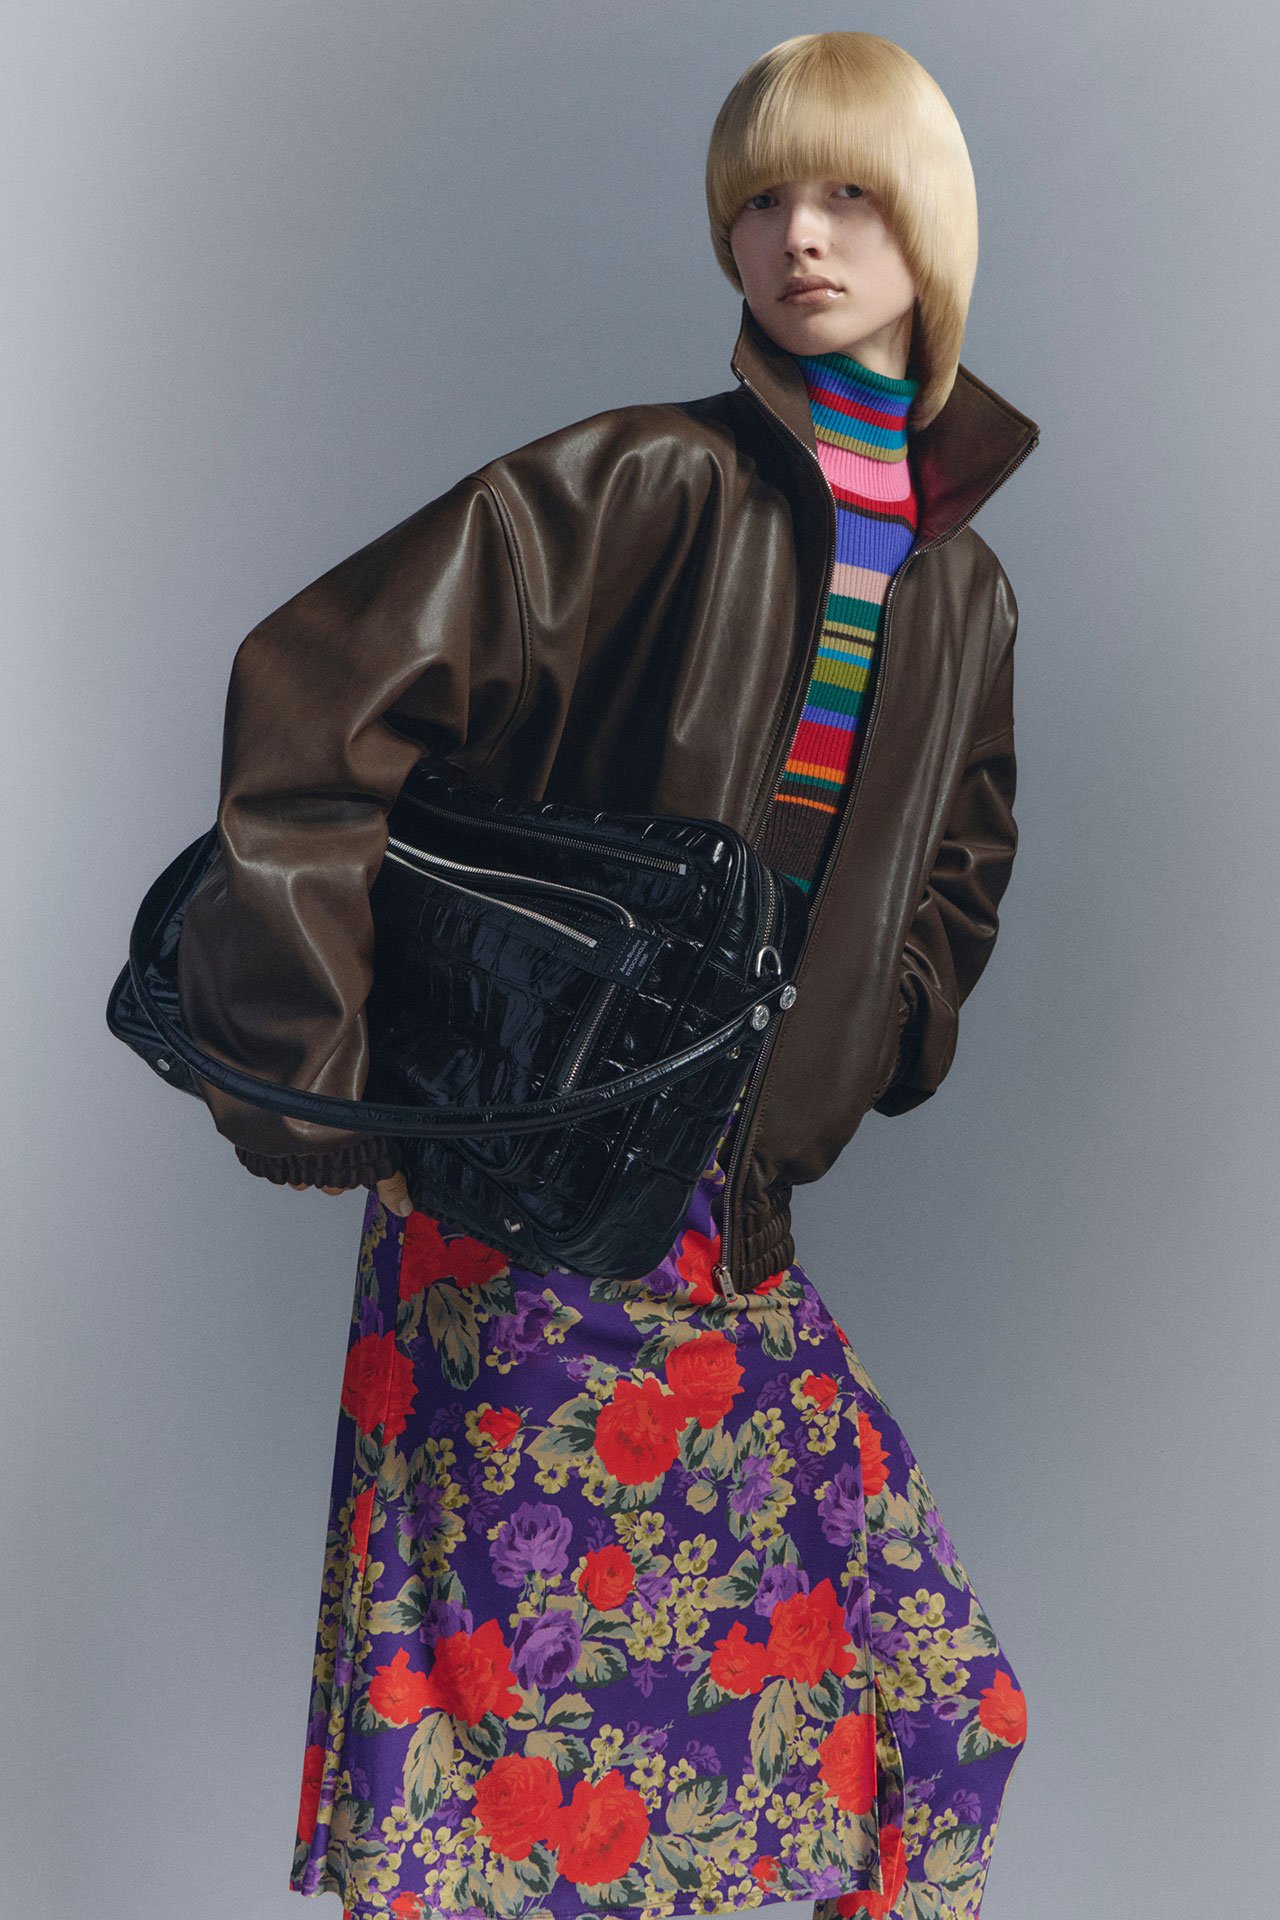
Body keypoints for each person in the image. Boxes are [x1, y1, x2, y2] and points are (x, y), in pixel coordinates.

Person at [175, 30, 1038, 1920]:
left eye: (848, 190)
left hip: (729, 1236)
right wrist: (329, 1094)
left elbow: (958, 861)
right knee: (559, 1816)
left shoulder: (962, 590)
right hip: (530, 1235)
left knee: (932, 1708)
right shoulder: (645, 483)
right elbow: (318, 703)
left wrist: (870, 1042)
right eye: (760, 197)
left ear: (932, 227)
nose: (799, 236)